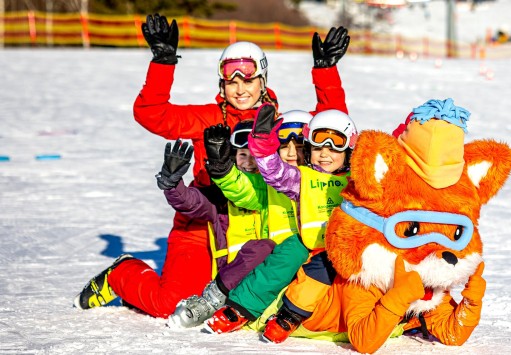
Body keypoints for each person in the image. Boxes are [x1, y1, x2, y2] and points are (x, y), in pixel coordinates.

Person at [73, 12, 349, 318]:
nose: (240, 89)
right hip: (202, 220)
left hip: (256, 221)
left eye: (249, 79)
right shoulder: (208, 118)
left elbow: (331, 130)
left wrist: (326, 72)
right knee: (172, 304)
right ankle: (123, 274)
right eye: (232, 81)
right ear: (222, 83)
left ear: (263, 80)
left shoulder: (276, 123)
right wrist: (163, 62)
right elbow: (152, 114)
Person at [204, 106, 358, 344]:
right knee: (289, 253)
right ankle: (240, 309)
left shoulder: (355, 181)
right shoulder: (299, 178)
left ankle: (293, 317)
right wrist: (258, 152)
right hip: (296, 252)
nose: (326, 152)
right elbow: (270, 176)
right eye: (319, 145)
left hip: (337, 253)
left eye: (335, 144)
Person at [168, 110, 315, 328]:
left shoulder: (324, 182)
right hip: (267, 277)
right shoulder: (269, 187)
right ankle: (214, 302)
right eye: (284, 147)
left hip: (310, 273)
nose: (292, 154)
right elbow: (242, 189)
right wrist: (222, 169)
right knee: (263, 248)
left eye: (301, 148)